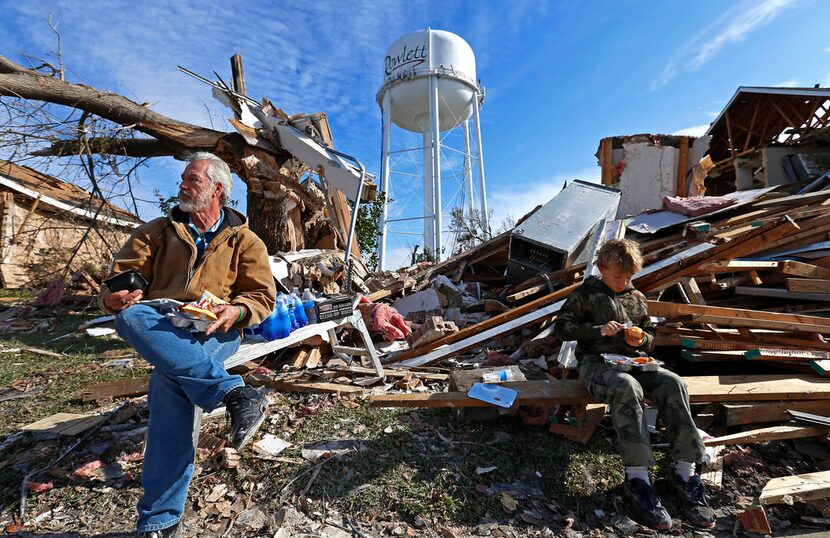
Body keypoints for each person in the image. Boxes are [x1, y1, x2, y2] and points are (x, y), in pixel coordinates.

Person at [99, 153, 276, 538]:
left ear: (217, 190)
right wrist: (112, 296)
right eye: (182, 178)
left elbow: (262, 298)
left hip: (216, 329)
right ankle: (235, 394)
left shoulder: (245, 241)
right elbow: (119, 280)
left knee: (169, 384)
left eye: (191, 179)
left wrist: (237, 310)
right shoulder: (157, 231)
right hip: (161, 323)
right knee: (131, 317)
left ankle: (159, 521)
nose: (182, 185)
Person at [553, 239, 715, 531]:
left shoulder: (636, 296)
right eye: (618, 277)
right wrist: (595, 329)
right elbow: (561, 329)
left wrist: (642, 339)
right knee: (627, 387)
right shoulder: (585, 294)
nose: (624, 282)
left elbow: (652, 335)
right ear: (602, 269)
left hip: (636, 362)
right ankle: (638, 479)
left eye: (629, 277)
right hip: (597, 365)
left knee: (673, 382)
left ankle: (685, 472)